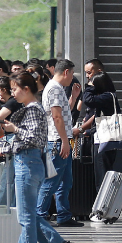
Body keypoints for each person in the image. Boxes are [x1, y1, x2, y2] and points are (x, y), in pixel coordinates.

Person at [0, 72, 77, 243]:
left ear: (26, 89)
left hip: (28, 164)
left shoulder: (32, 110)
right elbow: (27, 141)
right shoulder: (32, 108)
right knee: (27, 213)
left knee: (25, 215)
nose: (12, 93)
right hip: (29, 162)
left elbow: (33, 139)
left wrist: (15, 129)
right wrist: (4, 149)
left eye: (14, 89)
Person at [37, 59, 83, 228]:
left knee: (65, 181)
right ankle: (39, 215)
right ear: (66, 72)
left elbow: (63, 114)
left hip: (62, 139)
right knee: (52, 182)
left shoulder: (56, 89)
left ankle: (63, 214)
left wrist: (73, 98)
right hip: (58, 140)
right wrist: (65, 141)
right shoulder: (55, 89)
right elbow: (57, 118)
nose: (72, 77)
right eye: (71, 73)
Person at [79, 71, 122, 188]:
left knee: (102, 174)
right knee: (102, 173)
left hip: (105, 141)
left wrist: (89, 87)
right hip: (104, 139)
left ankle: (102, 203)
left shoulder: (108, 96)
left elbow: (88, 100)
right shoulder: (108, 97)